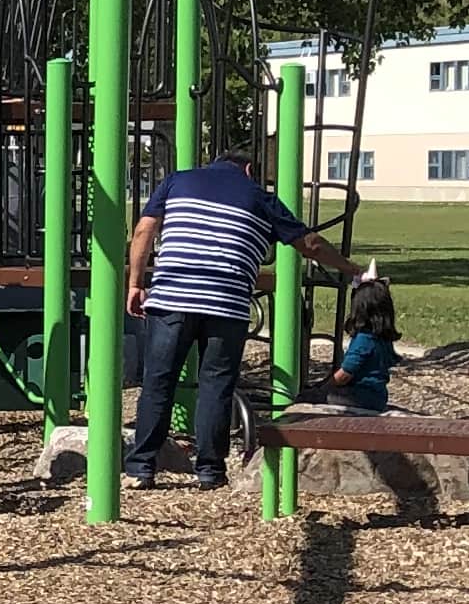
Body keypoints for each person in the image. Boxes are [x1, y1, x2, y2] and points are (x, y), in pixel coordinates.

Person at [123, 148, 355, 490]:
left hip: (172, 296)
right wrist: (352, 269)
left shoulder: (176, 181)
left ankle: (141, 467)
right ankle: (210, 471)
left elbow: (144, 230)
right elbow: (311, 244)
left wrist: (135, 283)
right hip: (227, 303)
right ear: (248, 170)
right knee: (216, 386)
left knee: (159, 381)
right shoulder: (260, 198)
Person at [328, 274, 398, 412]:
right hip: (378, 397)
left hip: (359, 396)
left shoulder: (364, 339)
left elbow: (345, 375)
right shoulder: (383, 338)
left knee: (319, 396)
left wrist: (324, 388)